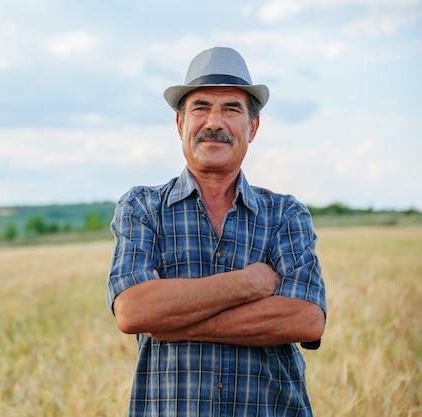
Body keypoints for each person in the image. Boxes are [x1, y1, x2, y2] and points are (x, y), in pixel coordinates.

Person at [106, 46, 327, 417]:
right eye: (201, 107)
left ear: (252, 127)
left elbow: (304, 319)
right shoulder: (142, 207)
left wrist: (174, 323)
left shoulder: (285, 214)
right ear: (180, 124)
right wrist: (248, 284)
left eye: (231, 108)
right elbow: (132, 310)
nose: (214, 122)